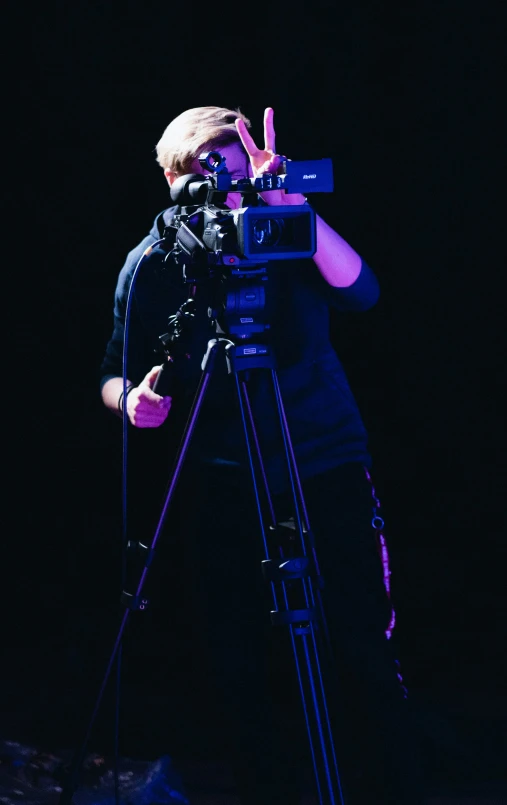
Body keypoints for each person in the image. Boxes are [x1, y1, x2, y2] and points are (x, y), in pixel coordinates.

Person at [99, 106, 425, 804]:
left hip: (324, 455)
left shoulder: (284, 231)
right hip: (222, 471)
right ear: (170, 180)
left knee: (361, 639)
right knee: (235, 654)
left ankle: (392, 785)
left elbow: (361, 291)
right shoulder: (155, 258)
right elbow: (111, 369)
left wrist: (291, 209)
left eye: (234, 171)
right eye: (204, 174)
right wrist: (130, 401)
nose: (224, 188)